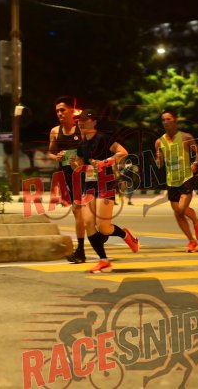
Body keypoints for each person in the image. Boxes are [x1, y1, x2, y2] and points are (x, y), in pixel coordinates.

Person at [70, 109, 140, 273]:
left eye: (84, 120)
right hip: (89, 185)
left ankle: (126, 235)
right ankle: (103, 260)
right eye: (79, 120)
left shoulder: (103, 138)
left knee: (103, 227)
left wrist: (105, 162)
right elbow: (80, 168)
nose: (80, 122)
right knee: (88, 222)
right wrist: (73, 163)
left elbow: (123, 152)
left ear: (94, 122)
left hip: (105, 184)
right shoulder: (81, 144)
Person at [145, 109, 198, 253]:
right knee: (177, 213)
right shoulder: (159, 142)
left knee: (182, 209)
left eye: (168, 119)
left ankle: (196, 221)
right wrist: (158, 159)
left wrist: (195, 163)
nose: (165, 122)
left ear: (175, 120)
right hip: (171, 181)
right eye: (163, 120)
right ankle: (191, 241)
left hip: (186, 178)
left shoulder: (185, 137)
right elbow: (159, 162)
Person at [47, 96, 87, 264]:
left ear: (72, 110)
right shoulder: (55, 132)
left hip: (85, 175)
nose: (59, 113)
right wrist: (56, 156)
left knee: (84, 212)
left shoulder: (82, 129)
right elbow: (51, 152)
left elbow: (91, 151)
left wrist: (80, 159)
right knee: (78, 212)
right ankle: (81, 250)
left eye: (62, 110)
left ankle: (81, 250)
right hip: (68, 176)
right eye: (57, 111)